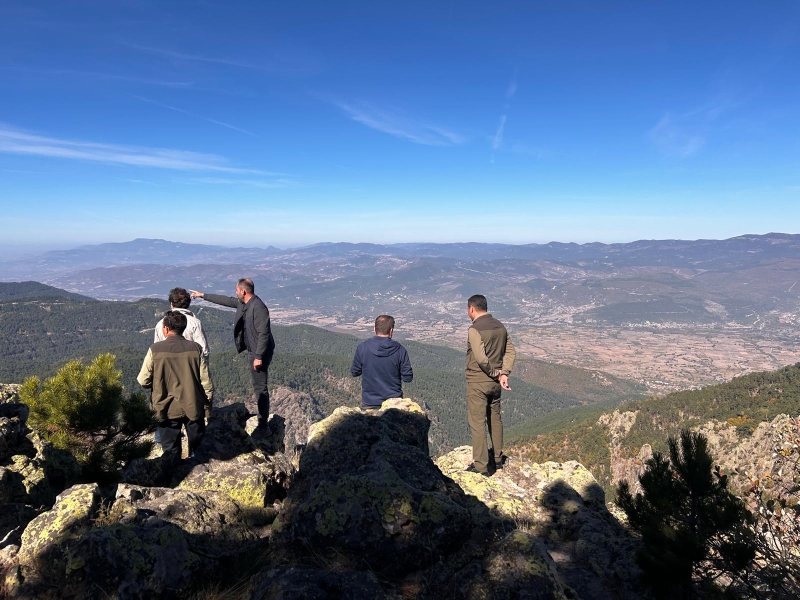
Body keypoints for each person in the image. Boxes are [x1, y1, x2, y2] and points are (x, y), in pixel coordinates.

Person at [189, 279, 275, 427]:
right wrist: (203, 295)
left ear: (243, 291)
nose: (235, 293)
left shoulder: (258, 307)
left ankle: (263, 424)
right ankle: (262, 421)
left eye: (236, 290)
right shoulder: (244, 303)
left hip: (259, 352)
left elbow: (264, 334)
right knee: (258, 386)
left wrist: (258, 356)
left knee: (260, 387)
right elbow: (226, 301)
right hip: (253, 350)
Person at [137, 311, 213, 464]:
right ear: (183, 328)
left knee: (170, 453)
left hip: (165, 407)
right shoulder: (196, 348)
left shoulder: (155, 349)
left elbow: (143, 380)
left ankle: (174, 475)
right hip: (193, 404)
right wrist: (207, 405)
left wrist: (159, 383)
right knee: (198, 450)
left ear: (165, 329)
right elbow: (206, 382)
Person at [465, 294, 516, 476]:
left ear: (472, 309)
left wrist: (495, 373)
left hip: (478, 382)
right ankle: (497, 458)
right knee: (495, 419)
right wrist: (504, 373)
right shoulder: (500, 326)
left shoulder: (475, 329)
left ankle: (481, 467)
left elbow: (480, 359)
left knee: (478, 422)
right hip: (495, 385)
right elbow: (511, 351)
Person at [350, 315, 413, 410]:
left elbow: (354, 372)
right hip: (394, 403)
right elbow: (407, 378)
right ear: (391, 331)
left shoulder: (362, 348)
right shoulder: (400, 350)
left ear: (374, 329)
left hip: (370, 403)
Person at [154, 287, 209, 357]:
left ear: (171, 304)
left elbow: (156, 351)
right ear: (188, 304)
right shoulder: (195, 323)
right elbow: (203, 350)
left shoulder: (161, 324)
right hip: (190, 363)